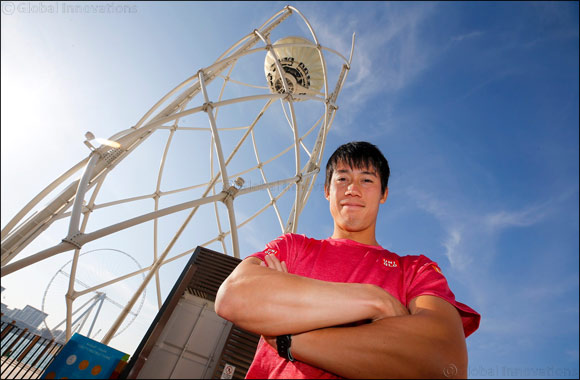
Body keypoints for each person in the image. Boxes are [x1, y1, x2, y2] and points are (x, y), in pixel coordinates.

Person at [215, 141, 480, 379]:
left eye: (367, 180)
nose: (352, 189)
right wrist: (375, 300)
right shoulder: (293, 246)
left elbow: (445, 363)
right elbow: (234, 297)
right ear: (327, 192)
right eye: (342, 179)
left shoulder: (415, 269)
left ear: (384, 194)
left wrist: (287, 336)